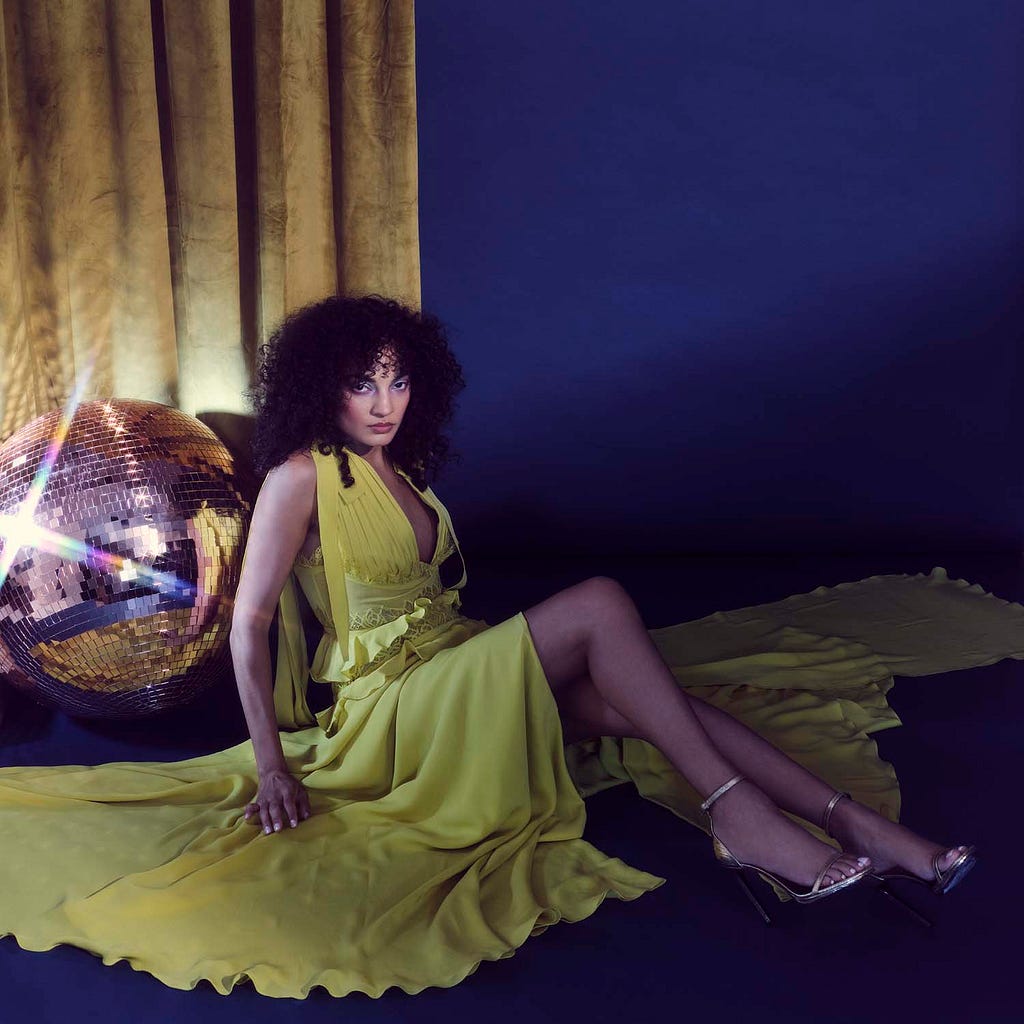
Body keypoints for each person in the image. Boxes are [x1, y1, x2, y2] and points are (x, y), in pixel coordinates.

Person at [0, 293, 981, 999]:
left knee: (654, 707)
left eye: (397, 379)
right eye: (359, 381)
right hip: (395, 707)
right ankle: (740, 822)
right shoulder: (305, 474)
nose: (381, 400)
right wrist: (268, 766)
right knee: (599, 604)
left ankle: (861, 828)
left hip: (457, 663)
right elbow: (250, 625)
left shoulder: (403, 468)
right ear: (321, 388)